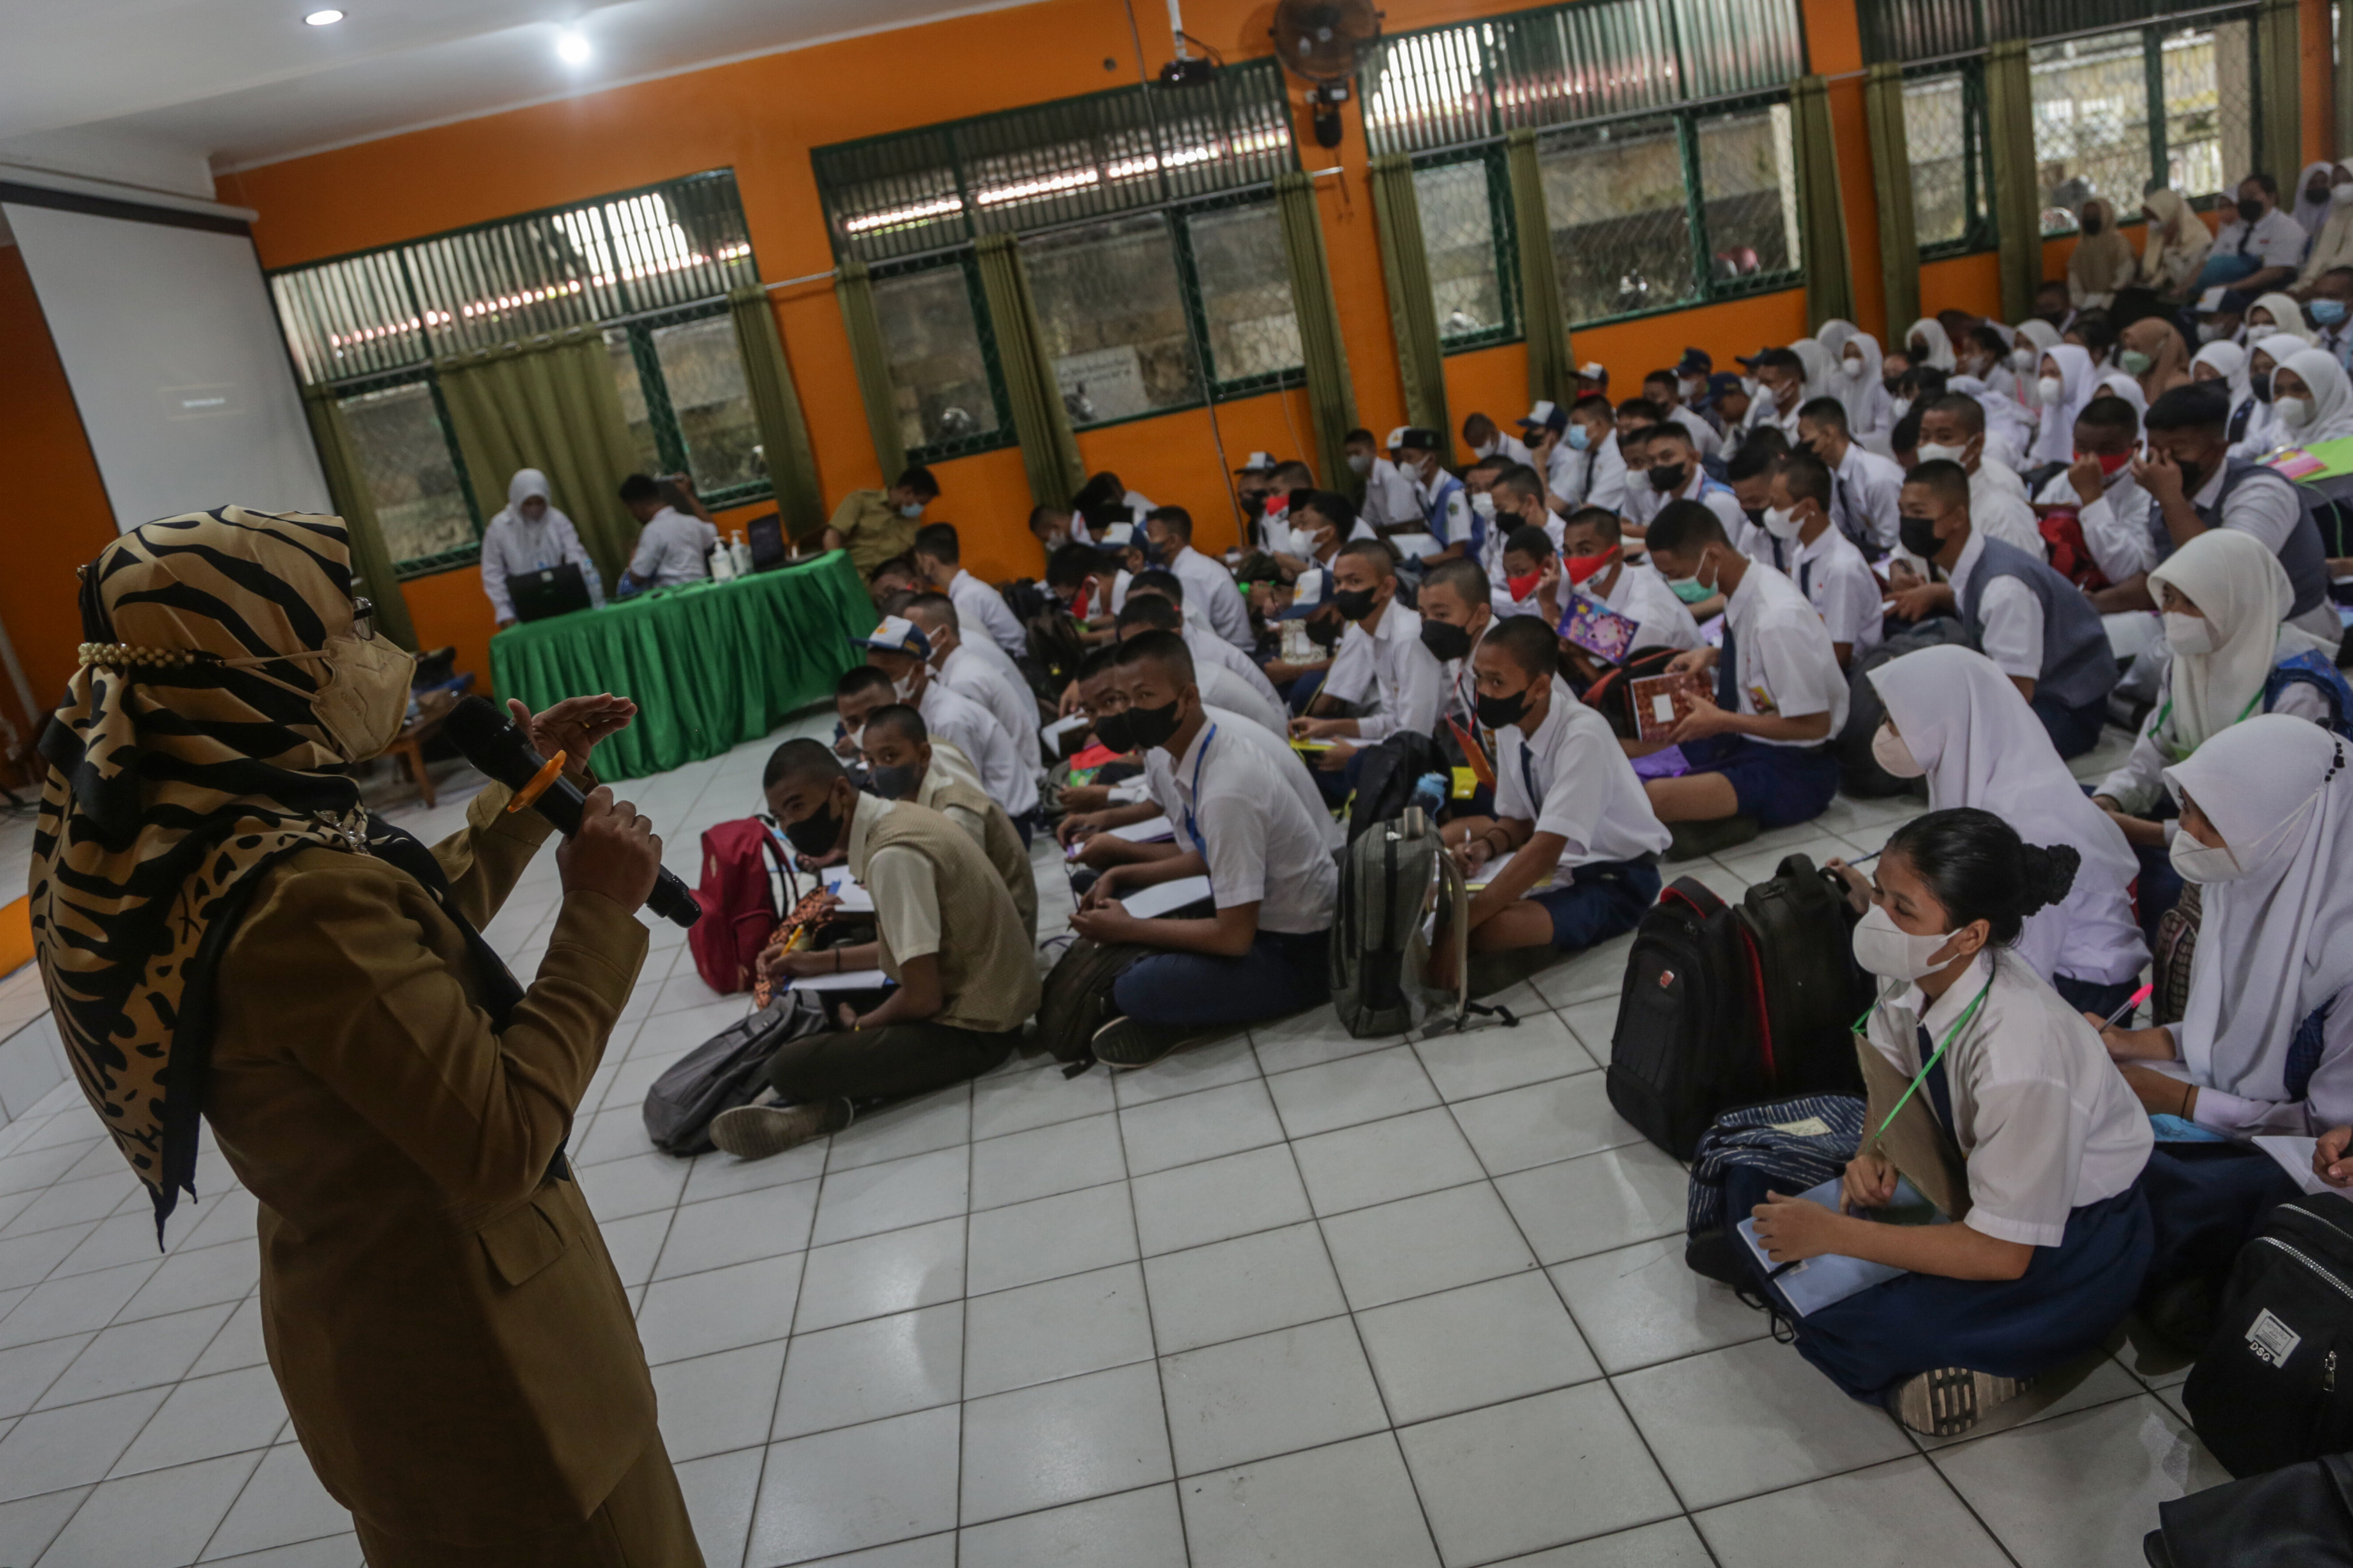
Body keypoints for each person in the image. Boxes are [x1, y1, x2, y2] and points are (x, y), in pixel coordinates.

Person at [29, 509, 699, 1562]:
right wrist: (592, 920)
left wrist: (527, 794)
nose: (376, 657)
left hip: (391, 1345)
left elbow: (398, 957)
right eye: (340, 631)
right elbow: (498, 1140)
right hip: (492, 1369)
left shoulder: (207, 823)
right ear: (249, 666)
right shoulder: (293, 894)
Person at [1743, 808, 2153, 1439]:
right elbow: (1892, 1080)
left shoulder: (2021, 1054)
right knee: (1746, 1195)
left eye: (1902, 908)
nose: (1877, 914)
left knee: (1861, 1326)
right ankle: (1967, 1344)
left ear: (1968, 934)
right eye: (1877, 889)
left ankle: (2018, 1354)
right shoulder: (1913, 966)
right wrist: (1872, 1150)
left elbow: (2003, 1251)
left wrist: (1833, 1234)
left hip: (2071, 1232)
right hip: (1962, 1174)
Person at [723, 741, 1038, 1157]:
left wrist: (863, 1027)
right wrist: (812, 963)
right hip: (977, 986)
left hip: (981, 1028)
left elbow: (923, 996)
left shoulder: (891, 856)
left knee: (789, 1066)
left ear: (840, 791)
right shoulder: (896, 816)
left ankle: (822, 1106)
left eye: (798, 806)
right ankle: (828, 1100)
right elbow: (908, 947)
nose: (792, 824)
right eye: (780, 816)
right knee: (830, 986)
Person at [1068, 632, 1338, 1066]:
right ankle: (1182, 1003)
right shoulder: (1192, 753)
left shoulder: (1226, 787)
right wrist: (1121, 873)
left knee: (1134, 987)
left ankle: (1183, 1015)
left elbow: (1233, 937)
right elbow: (1211, 856)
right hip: (1258, 920)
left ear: (1187, 697)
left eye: (1144, 695)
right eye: (1123, 699)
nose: (1130, 712)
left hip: (1298, 953)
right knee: (1110, 892)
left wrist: (1129, 929)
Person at [2094, 715, 2353, 1136]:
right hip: (2224, 1108)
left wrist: (2179, 1099)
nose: (2189, 834)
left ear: (2288, 832)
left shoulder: (2342, 965)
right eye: (2186, 808)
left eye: (2213, 822)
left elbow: (2329, 1135)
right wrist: (2132, 1042)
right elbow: (2229, 1031)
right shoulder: (2240, 882)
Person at [2091, 528, 2349, 938]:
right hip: (2198, 815)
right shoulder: (2188, 663)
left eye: (2192, 602)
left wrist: (2151, 833)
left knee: (2177, 889)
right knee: (2088, 822)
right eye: (2170, 599)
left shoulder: (2297, 686)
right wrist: (2111, 798)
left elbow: (2277, 818)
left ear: (2236, 601)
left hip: (2271, 845)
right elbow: (2152, 752)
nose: (2174, 614)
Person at [1859, 646, 2147, 1014]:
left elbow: (2028, 966)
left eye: (1894, 719)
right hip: (2043, 963)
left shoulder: (2023, 819)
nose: (1885, 732)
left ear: (1945, 719)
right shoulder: (1980, 770)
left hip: (2081, 990)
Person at [1444, 617, 1669, 963]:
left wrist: (1463, 926)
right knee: (1448, 898)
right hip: (1562, 868)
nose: (1484, 693)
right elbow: (1518, 821)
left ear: (1539, 687)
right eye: (1480, 679)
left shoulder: (1582, 735)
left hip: (1615, 878)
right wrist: (1486, 848)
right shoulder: (1511, 725)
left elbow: (1545, 850)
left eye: (1498, 682)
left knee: (1485, 929)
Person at [1638, 499, 1847, 835]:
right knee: (1633, 766)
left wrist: (1722, 721)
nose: (1675, 586)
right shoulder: (1743, 587)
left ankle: (1722, 818)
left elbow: (1815, 725)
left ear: (1714, 555)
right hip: (1745, 739)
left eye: (1677, 575)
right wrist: (1713, 655)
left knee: (1654, 798)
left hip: (1796, 766)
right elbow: (1761, 660)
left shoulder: (1777, 618)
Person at [1896, 461, 2120, 758]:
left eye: (1919, 513)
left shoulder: (2004, 588)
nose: (1908, 521)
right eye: (1903, 512)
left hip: (2065, 708)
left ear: (1958, 518)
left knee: (1947, 751)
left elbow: (2017, 693)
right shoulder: (1972, 562)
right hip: (2037, 692)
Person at [2134, 382, 2338, 640]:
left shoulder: (2262, 490)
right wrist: (2094, 604)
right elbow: (2151, 578)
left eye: (2178, 450)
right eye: (2154, 450)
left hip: (2288, 636)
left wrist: (2170, 498)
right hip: (2202, 630)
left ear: (2219, 449)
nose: (2162, 461)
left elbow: (2226, 578)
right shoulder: (2164, 489)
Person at [858, 704, 1037, 941]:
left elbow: (960, 908)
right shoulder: (910, 796)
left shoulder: (955, 813)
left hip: (1001, 938)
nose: (879, 771)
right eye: (871, 761)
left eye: (890, 757)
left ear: (923, 755)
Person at [1292, 540, 1445, 799]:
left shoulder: (1408, 638)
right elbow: (1392, 720)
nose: (1343, 591)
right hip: (1405, 744)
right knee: (1306, 760)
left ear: (1386, 587)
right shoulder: (1367, 632)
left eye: (1354, 582)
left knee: (1324, 772)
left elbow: (1415, 739)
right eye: (1338, 583)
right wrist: (1329, 728)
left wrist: (1357, 755)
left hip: (1437, 757)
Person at [850, 624, 1039, 830]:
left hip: (1006, 825)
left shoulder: (949, 719)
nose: (878, 686)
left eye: (888, 676)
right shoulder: (913, 711)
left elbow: (966, 800)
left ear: (919, 670)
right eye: (875, 677)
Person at [1760, 451, 1882, 666]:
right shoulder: (1801, 553)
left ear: (1808, 507)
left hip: (1853, 673)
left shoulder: (1841, 569)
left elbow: (1840, 655)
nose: (1771, 512)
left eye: (1778, 504)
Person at [901, 592, 1044, 768]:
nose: (908, 644)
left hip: (1018, 780)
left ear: (943, 634)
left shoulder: (963, 682)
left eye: (914, 634)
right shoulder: (961, 665)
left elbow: (971, 765)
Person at [1115, 595, 1285, 736]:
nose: (1134, 657)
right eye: (1127, 648)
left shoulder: (1200, 682)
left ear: (1174, 637)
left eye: (1143, 644)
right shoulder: (1181, 660)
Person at [1547, 507, 1702, 654]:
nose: (1573, 561)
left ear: (1616, 556)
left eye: (1585, 551)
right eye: (1568, 551)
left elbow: (1628, 680)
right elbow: (1581, 645)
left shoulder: (1644, 618)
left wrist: (1547, 606)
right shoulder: (1592, 584)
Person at [481, 468, 605, 627]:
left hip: (563, 601)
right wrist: (504, 611)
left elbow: (577, 556)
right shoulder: (499, 528)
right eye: (528, 503)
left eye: (540, 502)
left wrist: (588, 593)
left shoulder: (558, 520)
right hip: (522, 609)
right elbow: (492, 574)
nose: (535, 509)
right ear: (516, 500)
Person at [1795, 397, 1902, 555]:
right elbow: (1837, 529)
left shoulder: (1877, 478)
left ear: (1829, 434)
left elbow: (1892, 543)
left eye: (1806, 438)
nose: (1803, 446)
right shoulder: (1832, 475)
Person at [908, 522, 1028, 659]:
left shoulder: (967, 597)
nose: (921, 570)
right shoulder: (969, 590)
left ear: (929, 562)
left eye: (920, 563)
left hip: (1019, 665)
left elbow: (970, 652)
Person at [1142, 505, 1253, 650]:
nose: (1148, 542)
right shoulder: (1190, 566)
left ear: (1173, 541)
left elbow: (1196, 630)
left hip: (1235, 653)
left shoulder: (1190, 574)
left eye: (1151, 535)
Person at [823, 465, 939, 577]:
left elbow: (912, 556)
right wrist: (841, 572)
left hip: (887, 580)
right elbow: (832, 536)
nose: (920, 509)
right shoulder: (860, 500)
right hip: (853, 574)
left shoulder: (913, 521)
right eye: (921, 504)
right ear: (907, 492)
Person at [2206, 173, 2309, 297]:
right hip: (2233, 288)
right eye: (2242, 198)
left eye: (2251, 196)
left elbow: (2276, 272)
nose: (2245, 202)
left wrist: (2231, 288)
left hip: (2272, 291)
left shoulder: (2287, 228)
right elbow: (2209, 262)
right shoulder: (2237, 229)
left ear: (2272, 197)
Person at [619, 472, 715, 590]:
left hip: (673, 597)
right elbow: (713, 532)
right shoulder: (691, 522)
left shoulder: (652, 531)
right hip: (703, 589)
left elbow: (637, 578)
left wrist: (634, 554)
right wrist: (688, 493)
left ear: (636, 507)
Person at [1345, 426, 1424, 533]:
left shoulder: (1392, 476)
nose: (1353, 459)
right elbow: (1368, 520)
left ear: (1373, 450)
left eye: (1357, 453)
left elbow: (1403, 523)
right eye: (1349, 455)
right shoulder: (1371, 481)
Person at [2139, 188, 2214, 299]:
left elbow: (2183, 278)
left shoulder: (2198, 237)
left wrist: (2168, 247)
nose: (2152, 224)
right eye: (2148, 219)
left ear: (2170, 213)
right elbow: (2148, 273)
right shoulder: (2158, 235)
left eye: (2155, 217)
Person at [2270, 345, 2353, 444]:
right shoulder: (2281, 434)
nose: (2287, 398)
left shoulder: (2346, 441)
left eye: (2299, 389)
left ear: (2327, 392)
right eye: (2279, 391)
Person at [2067, 198, 2136, 310]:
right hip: (2086, 302)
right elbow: (2074, 279)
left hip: (2114, 302)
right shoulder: (2082, 246)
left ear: (2106, 215)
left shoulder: (2119, 243)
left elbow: (2124, 277)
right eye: (2087, 215)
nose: (2090, 219)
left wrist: (2106, 302)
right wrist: (2078, 303)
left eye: (2095, 215)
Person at [2298, 166, 2353, 289]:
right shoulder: (2333, 220)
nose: (2340, 187)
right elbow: (2320, 257)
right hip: (2322, 285)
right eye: (2335, 183)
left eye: (2347, 182)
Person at [2121, 315, 2193, 404]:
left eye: (2136, 348)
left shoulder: (2179, 386)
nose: (2129, 353)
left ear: (2159, 347)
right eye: (2126, 347)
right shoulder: (2142, 379)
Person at [1463, 411, 1533, 465]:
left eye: (1481, 445)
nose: (1478, 451)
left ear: (1493, 433)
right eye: (1474, 447)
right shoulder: (1488, 459)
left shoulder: (1521, 452)